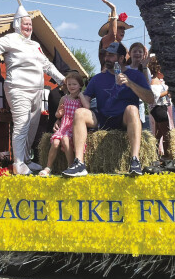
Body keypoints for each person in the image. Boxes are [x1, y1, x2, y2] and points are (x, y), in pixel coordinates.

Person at [0, 1, 64, 175]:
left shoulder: (36, 45)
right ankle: (18, 162)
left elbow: (48, 66)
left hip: (36, 90)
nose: (28, 27)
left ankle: (27, 159)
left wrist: (63, 80)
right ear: (18, 24)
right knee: (22, 124)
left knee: (32, 126)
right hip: (18, 88)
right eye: (25, 24)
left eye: (30, 24)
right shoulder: (11, 39)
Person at [62, 41, 154, 177]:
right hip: (102, 118)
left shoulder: (135, 75)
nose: (106, 58)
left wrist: (130, 83)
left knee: (132, 109)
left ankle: (135, 160)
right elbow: (85, 100)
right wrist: (64, 117)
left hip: (123, 118)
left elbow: (150, 99)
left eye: (111, 55)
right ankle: (79, 163)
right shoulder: (98, 79)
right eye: (106, 55)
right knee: (80, 112)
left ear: (121, 58)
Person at [39, 72, 90, 177]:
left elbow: (87, 108)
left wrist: (81, 95)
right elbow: (57, 114)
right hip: (64, 125)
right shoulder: (64, 98)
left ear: (80, 85)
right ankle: (48, 167)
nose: (71, 86)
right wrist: (60, 114)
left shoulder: (82, 98)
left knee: (66, 140)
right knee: (56, 142)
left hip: (74, 126)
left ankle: (71, 166)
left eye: (74, 84)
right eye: (69, 84)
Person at [97, 0, 133, 71]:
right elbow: (112, 34)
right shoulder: (106, 40)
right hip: (108, 78)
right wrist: (113, 9)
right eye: (120, 28)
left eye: (124, 29)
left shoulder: (123, 47)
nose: (123, 31)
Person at [147, 56, 173, 157]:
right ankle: (167, 154)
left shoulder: (159, 81)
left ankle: (155, 153)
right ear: (158, 70)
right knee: (166, 132)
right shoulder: (154, 82)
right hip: (159, 108)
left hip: (160, 108)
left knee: (159, 134)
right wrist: (167, 92)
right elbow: (155, 95)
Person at [126, 42, 152, 130]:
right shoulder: (126, 69)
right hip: (126, 101)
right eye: (135, 51)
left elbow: (147, 85)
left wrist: (144, 67)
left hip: (139, 102)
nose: (137, 53)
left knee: (138, 125)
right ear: (129, 53)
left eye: (140, 52)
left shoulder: (145, 69)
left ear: (144, 54)